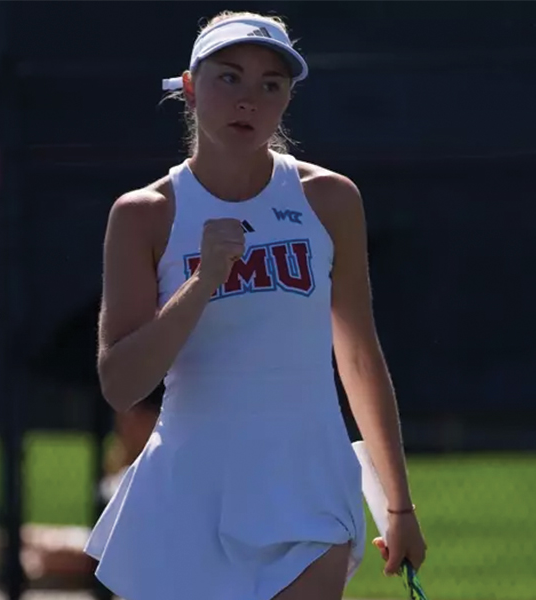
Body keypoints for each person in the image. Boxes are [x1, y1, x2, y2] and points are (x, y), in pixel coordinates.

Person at [84, 10, 427, 600]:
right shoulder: (144, 214)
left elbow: (359, 357)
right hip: (188, 496)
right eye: (229, 77)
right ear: (190, 89)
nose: (249, 99)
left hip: (309, 491)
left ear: (287, 99)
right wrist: (202, 282)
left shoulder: (330, 199)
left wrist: (399, 507)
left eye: (271, 84)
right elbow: (121, 383)